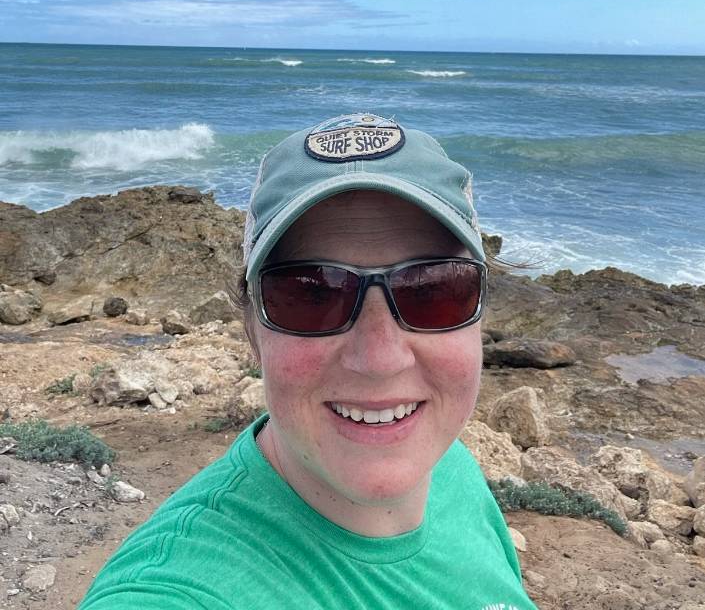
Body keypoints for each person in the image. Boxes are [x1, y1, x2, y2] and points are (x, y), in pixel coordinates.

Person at [79, 112, 537, 610]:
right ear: (251, 329)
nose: (379, 359)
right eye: (311, 294)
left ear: (479, 312)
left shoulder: (448, 465)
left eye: (434, 289)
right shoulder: (178, 591)